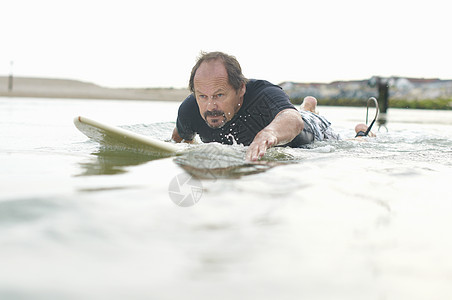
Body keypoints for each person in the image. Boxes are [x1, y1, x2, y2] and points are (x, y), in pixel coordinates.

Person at [171, 51, 338, 161]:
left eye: (219, 95)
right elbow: (178, 142)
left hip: (310, 128)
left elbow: (293, 119)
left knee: (306, 117)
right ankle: (307, 106)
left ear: (241, 88)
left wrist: (268, 133)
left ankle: (309, 109)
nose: (210, 106)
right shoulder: (190, 109)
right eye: (202, 96)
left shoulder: (264, 94)